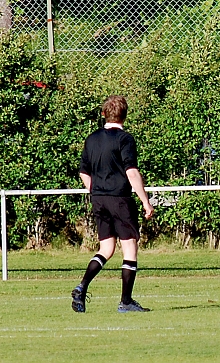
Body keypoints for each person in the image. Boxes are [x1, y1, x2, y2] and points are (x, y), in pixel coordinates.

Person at [71, 95, 154, 313]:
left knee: (106, 248)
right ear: (125, 116)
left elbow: (83, 172)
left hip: (98, 198)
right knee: (129, 247)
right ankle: (126, 302)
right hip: (120, 198)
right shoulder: (125, 139)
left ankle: (82, 287)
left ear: (103, 114)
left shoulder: (92, 139)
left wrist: (96, 192)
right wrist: (146, 201)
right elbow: (131, 172)